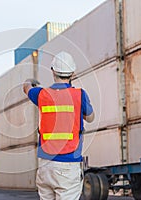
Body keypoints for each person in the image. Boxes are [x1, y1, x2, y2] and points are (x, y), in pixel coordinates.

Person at [23, 51, 94, 200]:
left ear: (53, 71)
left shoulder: (41, 94)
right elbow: (91, 118)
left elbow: (26, 87)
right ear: (72, 73)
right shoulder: (79, 95)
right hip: (68, 165)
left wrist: (31, 81)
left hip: (45, 165)